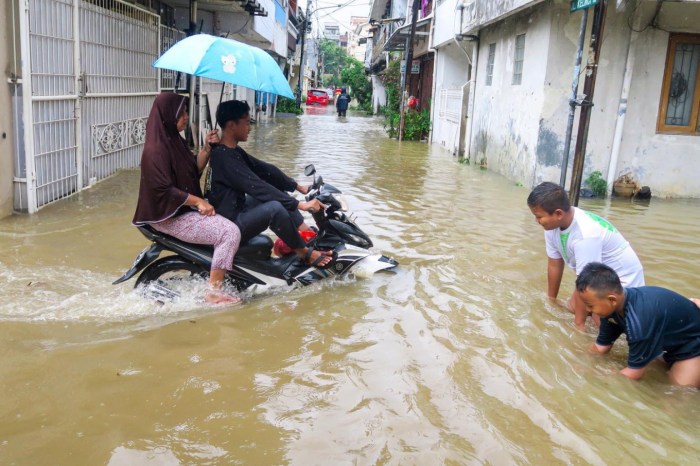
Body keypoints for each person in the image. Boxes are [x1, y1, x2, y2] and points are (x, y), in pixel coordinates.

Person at [132, 92, 241, 305]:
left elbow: (192, 170)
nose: (185, 117)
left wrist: (207, 148)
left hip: (180, 210)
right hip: (168, 217)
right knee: (229, 232)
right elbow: (163, 189)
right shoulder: (155, 150)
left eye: (185, 112)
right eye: (181, 113)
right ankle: (214, 293)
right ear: (167, 115)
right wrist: (198, 201)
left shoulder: (174, 141)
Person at [206, 100, 333, 268]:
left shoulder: (231, 151)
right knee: (274, 208)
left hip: (236, 209)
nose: (250, 128)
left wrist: (296, 186)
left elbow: (263, 169)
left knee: (279, 196)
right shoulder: (223, 157)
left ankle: (306, 234)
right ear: (231, 125)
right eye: (246, 123)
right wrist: (300, 204)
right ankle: (304, 252)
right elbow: (257, 187)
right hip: (229, 223)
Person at [527, 182, 644, 331]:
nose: (536, 221)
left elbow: (589, 282)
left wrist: (579, 327)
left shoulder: (585, 235)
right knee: (571, 308)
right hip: (597, 276)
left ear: (558, 214)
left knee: (598, 322)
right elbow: (554, 264)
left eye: (538, 217)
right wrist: (551, 300)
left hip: (624, 282)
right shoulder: (551, 227)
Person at [576, 262, 700, 387]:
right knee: (654, 372)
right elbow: (602, 346)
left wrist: (596, 375)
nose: (587, 310)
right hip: (669, 345)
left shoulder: (639, 322)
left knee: (678, 393)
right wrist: (577, 360)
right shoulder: (612, 309)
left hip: (693, 346)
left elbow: (634, 373)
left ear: (612, 299)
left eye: (590, 305)